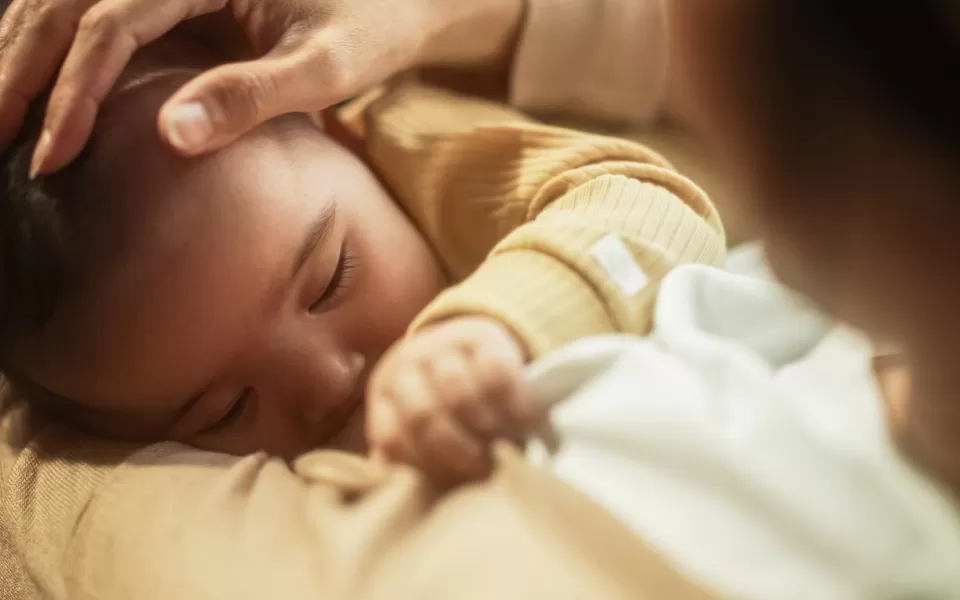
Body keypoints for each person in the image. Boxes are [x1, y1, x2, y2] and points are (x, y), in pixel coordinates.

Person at [3, 0, 959, 598]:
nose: (336, 380)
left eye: (331, 277)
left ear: (343, 138)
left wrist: (490, 321)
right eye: (222, 409)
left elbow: (647, 207)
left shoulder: (401, 135)